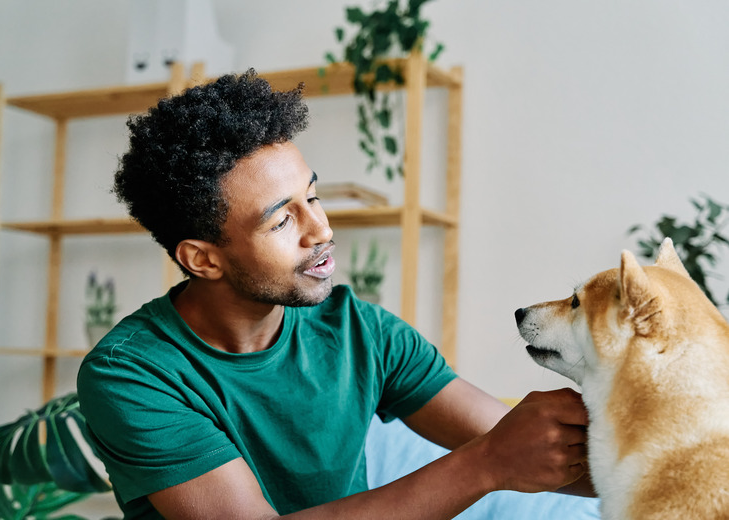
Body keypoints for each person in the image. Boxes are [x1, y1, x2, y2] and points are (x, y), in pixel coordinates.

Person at [77, 69, 592, 520]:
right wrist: (486, 464)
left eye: (313, 197)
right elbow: (498, 453)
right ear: (203, 259)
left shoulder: (360, 332)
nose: (320, 229)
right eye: (282, 219)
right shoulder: (131, 374)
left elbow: (539, 451)